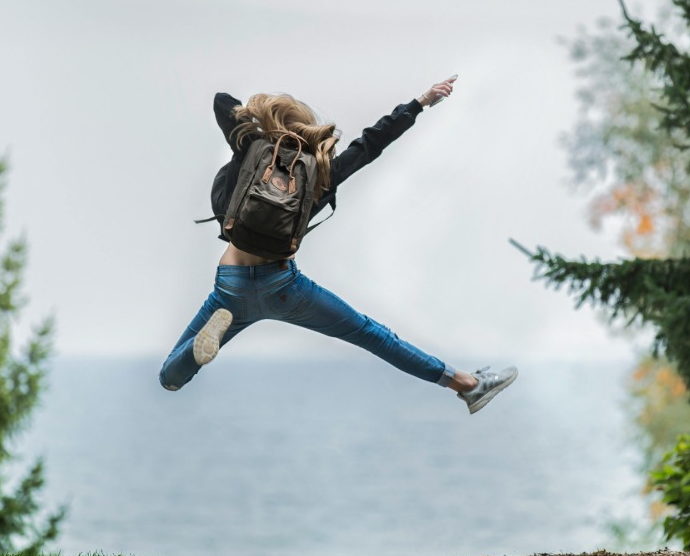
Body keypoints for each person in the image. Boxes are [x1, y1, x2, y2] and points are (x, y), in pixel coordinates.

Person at [158, 77, 517, 414]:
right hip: (283, 287)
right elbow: (371, 144)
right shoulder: (320, 172)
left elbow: (223, 102)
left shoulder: (250, 147)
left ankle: (195, 352)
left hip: (231, 285)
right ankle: (467, 385)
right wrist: (420, 103)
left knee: (169, 378)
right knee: (372, 335)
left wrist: (261, 122)